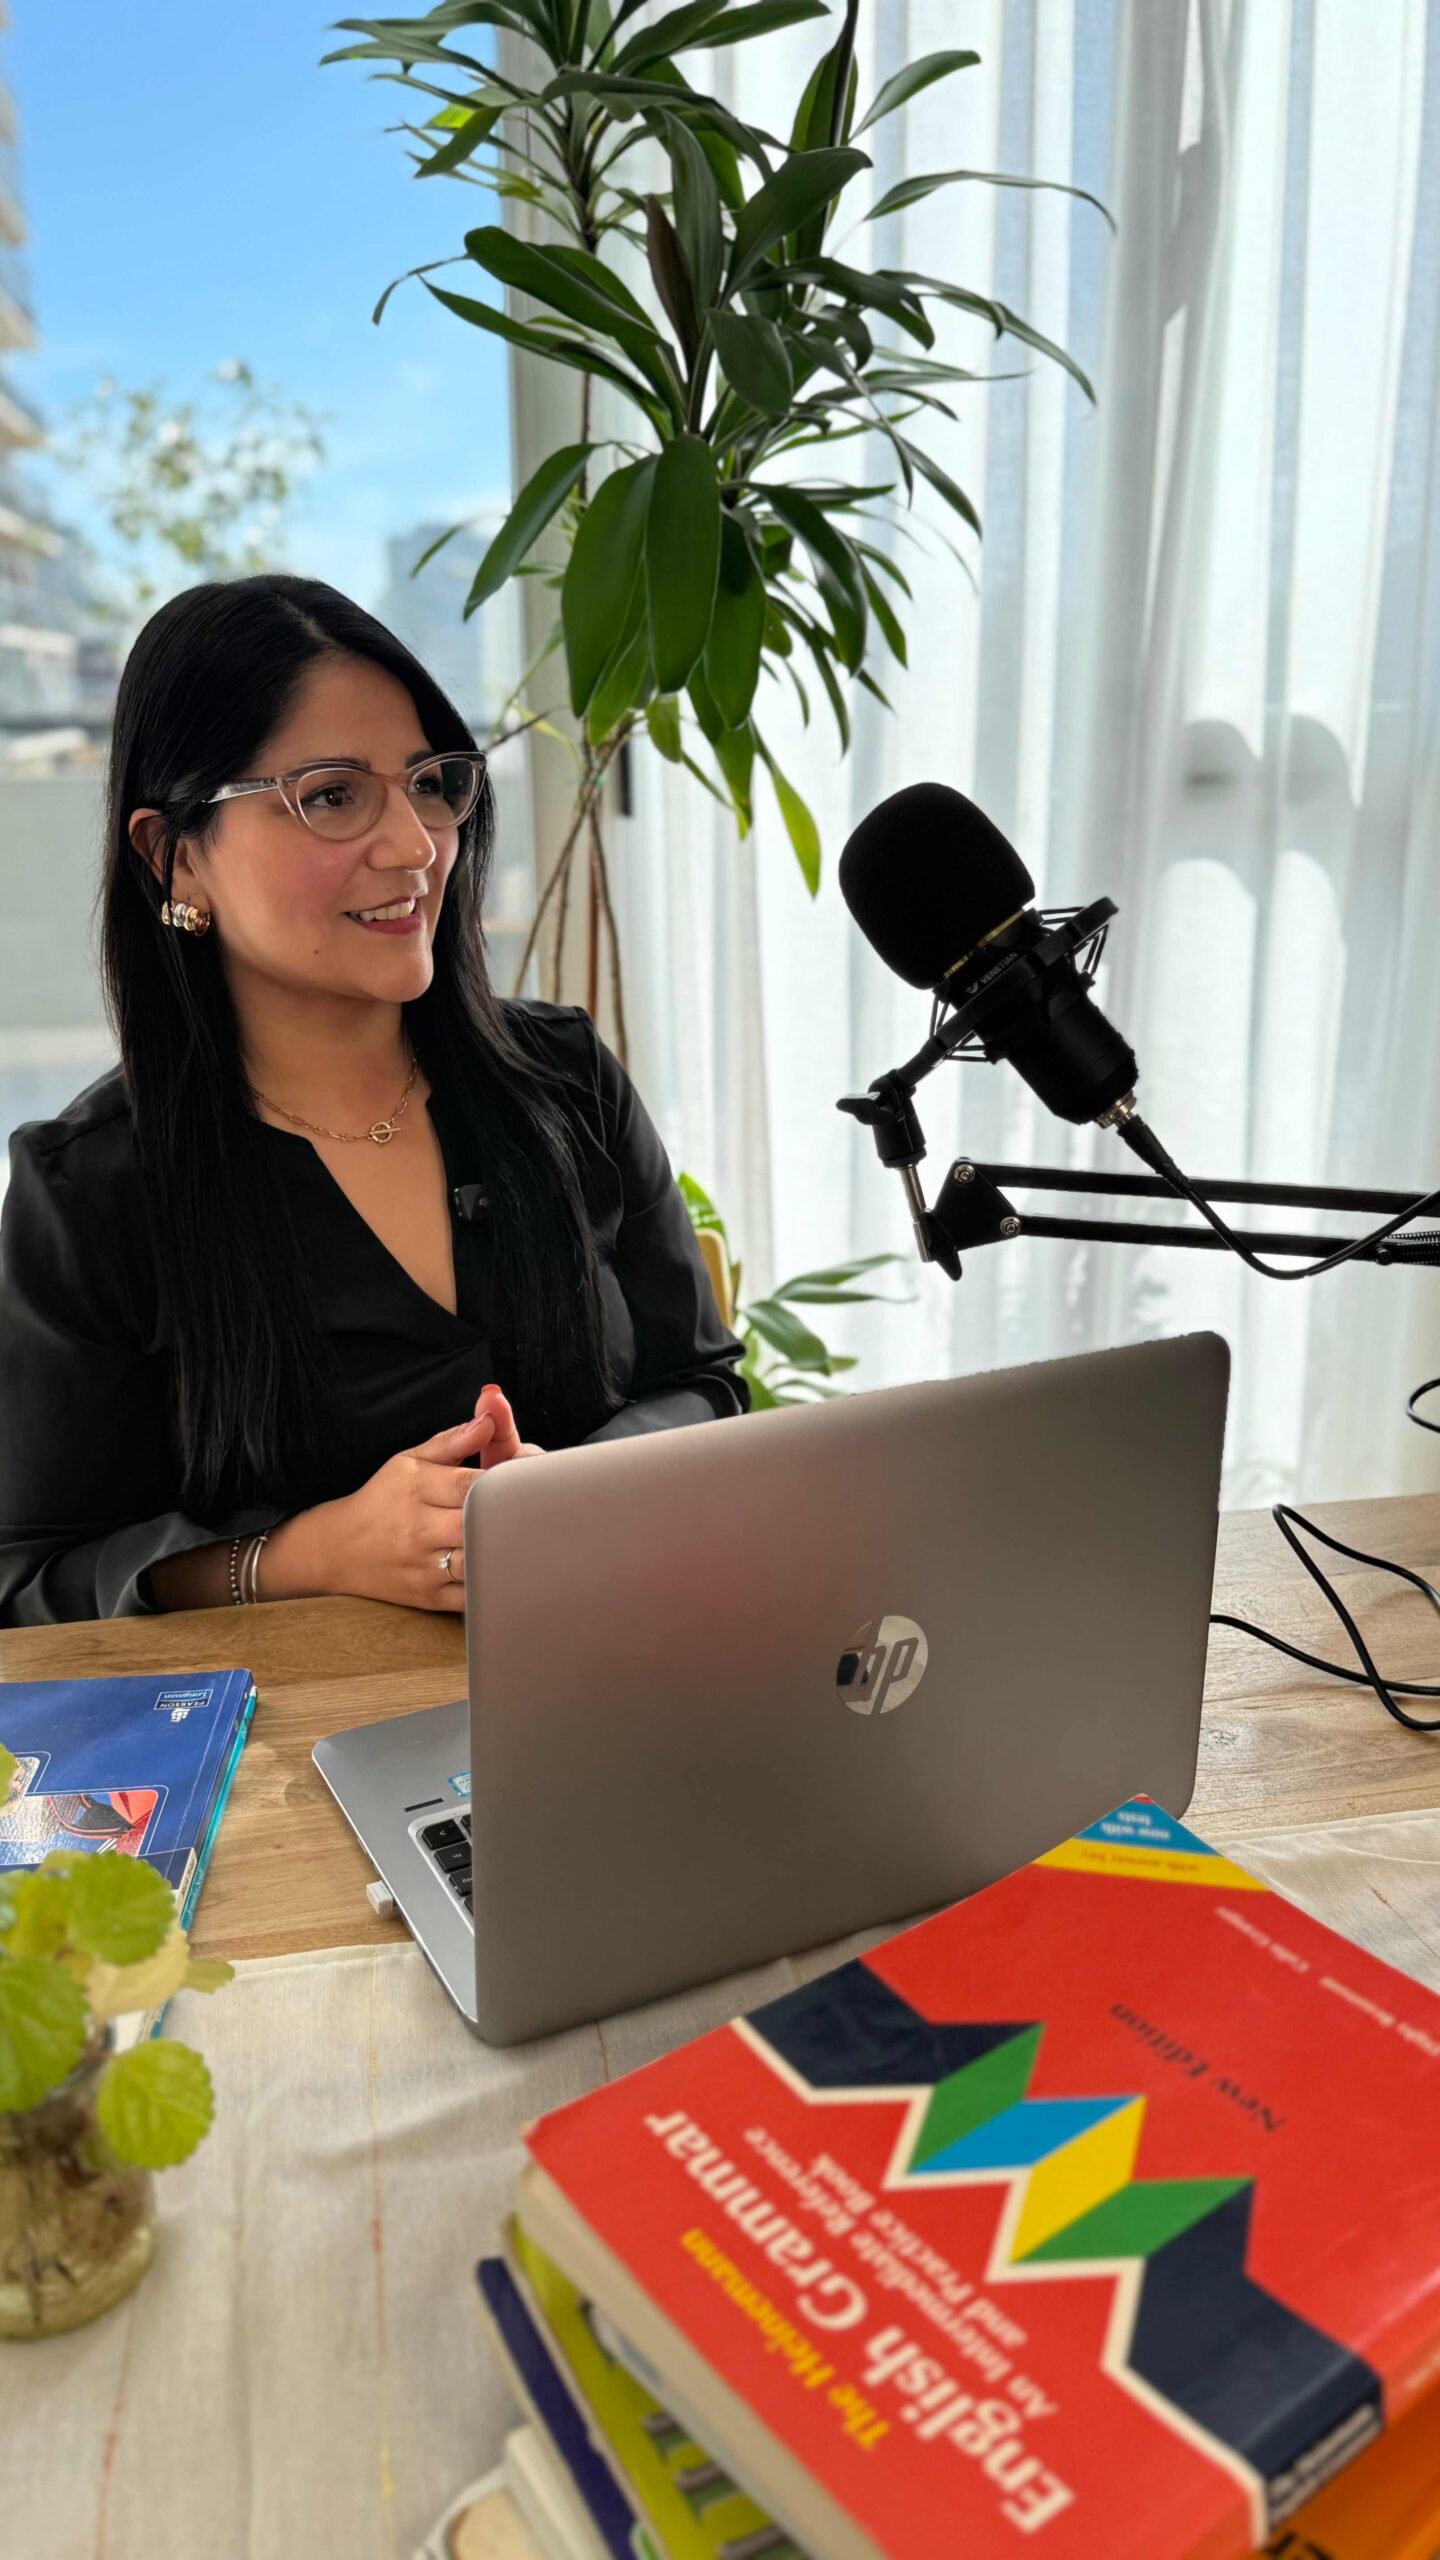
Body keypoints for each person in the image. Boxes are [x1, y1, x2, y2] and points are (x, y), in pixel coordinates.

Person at [0, 574, 748, 1625]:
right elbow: (33, 1580)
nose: (416, 846)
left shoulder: (566, 1077)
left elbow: (706, 1385)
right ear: (176, 857)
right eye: (332, 796)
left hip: (615, 1662)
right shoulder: (91, 1188)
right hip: (306, 1728)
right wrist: (311, 1552)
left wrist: (567, 1492)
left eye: (430, 783)